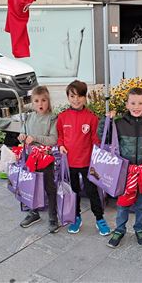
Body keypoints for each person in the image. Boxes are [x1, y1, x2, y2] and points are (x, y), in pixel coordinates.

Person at [101, 87, 142, 248]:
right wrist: (106, 121)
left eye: (140, 103)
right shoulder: (119, 124)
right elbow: (103, 135)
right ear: (127, 104)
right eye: (133, 103)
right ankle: (119, 229)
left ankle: (139, 228)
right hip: (125, 172)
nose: (136, 106)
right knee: (123, 203)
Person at [56, 80, 110, 236]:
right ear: (68, 97)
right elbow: (60, 136)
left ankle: (99, 219)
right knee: (74, 192)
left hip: (87, 163)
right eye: (72, 96)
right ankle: (76, 217)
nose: (76, 99)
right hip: (70, 163)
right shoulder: (62, 117)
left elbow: (95, 139)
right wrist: (60, 145)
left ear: (85, 97)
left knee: (92, 192)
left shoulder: (91, 118)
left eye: (80, 96)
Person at [18, 86, 59, 233]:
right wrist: (22, 136)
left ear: (48, 101)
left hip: (45, 158)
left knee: (49, 187)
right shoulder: (29, 117)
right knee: (32, 185)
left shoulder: (52, 118)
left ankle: (53, 215)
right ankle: (33, 212)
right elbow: (22, 132)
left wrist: (35, 138)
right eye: (37, 101)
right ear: (32, 103)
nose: (40, 104)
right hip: (30, 157)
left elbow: (53, 139)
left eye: (43, 100)